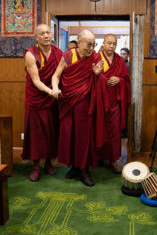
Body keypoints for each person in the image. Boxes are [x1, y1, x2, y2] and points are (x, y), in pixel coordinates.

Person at [51, 30, 104, 187]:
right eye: (89, 44)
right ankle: (74, 167)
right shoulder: (68, 56)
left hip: (86, 104)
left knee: (83, 137)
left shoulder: (96, 57)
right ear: (79, 42)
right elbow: (56, 76)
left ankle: (84, 169)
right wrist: (54, 88)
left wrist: (96, 75)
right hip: (67, 102)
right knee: (70, 135)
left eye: (93, 44)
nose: (91, 47)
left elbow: (101, 82)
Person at [22, 24, 62, 181]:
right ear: (36, 37)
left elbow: (61, 74)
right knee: (36, 134)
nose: (46, 36)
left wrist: (56, 90)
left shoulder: (58, 53)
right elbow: (36, 80)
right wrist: (50, 91)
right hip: (37, 98)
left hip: (53, 99)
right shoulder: (31, 54)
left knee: (51, 131)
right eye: (42, 33)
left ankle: (48, 163)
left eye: (48, 32)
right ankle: (36, 165)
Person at [98, 34, 130, 173]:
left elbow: (126, 79)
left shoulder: (119, 60)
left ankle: (113, 160)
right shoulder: (96, 58)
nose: (111, 46)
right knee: (100, 130)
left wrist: (119, 80)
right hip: (99, 101)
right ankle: (99, 157)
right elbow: (89, 78)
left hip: (115, 102)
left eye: (114, 43)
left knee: (115, 132)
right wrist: (102, 79)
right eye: (109, 43)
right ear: (103, 43)